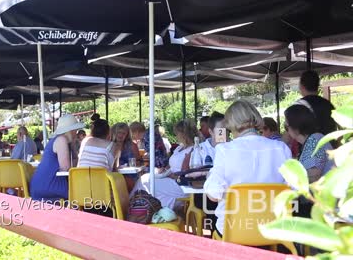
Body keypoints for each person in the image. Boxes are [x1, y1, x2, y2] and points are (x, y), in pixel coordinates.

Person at [204, 100, 291, 237]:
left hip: (233, 230)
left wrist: (210, 176)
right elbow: (295, 190)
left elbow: (214, 195)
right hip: (274, 229)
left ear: (230, 123)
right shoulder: (281, 148)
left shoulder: (224, 150)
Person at [131, 119, 198, 209]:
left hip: (180, 184)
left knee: (145, 181)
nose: (176, 135)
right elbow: (171, 164)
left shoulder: (193, 149)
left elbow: (187, 173)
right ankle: (141, 207)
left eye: (177, 133)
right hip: (170, 178)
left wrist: (171, 175)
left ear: (183, 134)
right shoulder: (180, 148)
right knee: (146, 179)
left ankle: (131, 205)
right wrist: (165, 170)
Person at [30, 114, 85, 201]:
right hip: (50, 184)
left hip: (43, 183)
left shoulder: (60, 140)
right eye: (75, 130)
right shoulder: (61, 140)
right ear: (70, 130)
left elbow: (73, 164)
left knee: (82, 192)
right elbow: (66, 168)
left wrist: (73, 147)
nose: (76, 133)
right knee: (83, 194)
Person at [284, 104, 334, 183]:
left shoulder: (314, 140)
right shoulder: (313, 139)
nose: (286, 131)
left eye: (286, 126)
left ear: (296, 126)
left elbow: (314, 176)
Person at [296, 70, 337, 136]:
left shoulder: (298, 106)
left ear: (302, 86)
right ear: (317, 86)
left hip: (308, 145)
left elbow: (291, 131)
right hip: (329, 144)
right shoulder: (328, 105)